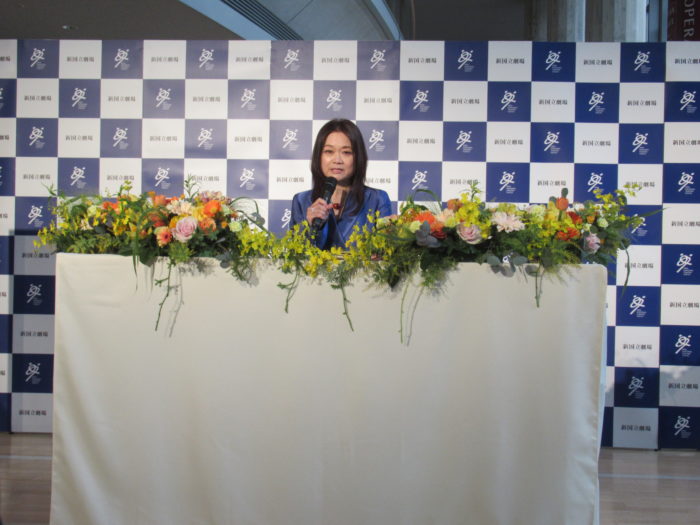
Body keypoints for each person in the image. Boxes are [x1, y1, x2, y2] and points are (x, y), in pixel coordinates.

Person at [291, 119, 392, 249]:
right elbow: (296, 255)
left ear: (358, 157)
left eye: (346, 152)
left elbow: (386, 252)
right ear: (319, 156)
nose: (337, 160)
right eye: (329, 151)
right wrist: (310, 226)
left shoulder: (377, 199)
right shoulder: (301, 201)